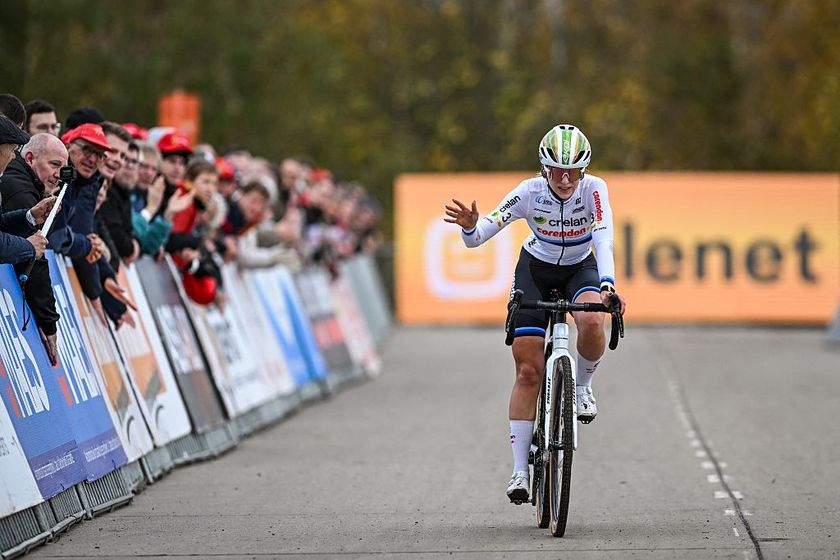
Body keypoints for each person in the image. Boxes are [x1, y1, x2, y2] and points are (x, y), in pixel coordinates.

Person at [444, 124, 627, 504]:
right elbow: (480, 236)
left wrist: (607, 285)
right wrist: (469, 228)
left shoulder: (595, 189)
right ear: (544, 170)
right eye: (557, 171)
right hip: (535, 268)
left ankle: (582, 388)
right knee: (528, 371)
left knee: (593, 319)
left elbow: (603, 236)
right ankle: (519, 471)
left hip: (580, 267)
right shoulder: (529, 192)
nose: (564, 179)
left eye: (573, 171)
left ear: (584, 170)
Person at [0, 132, 65, 364]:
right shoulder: (17, 185)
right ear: (29, 158)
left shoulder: (24, 182)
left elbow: (2, 223)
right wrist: (49, 321)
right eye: (11, 151)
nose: (12, 157)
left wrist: (30, 216)